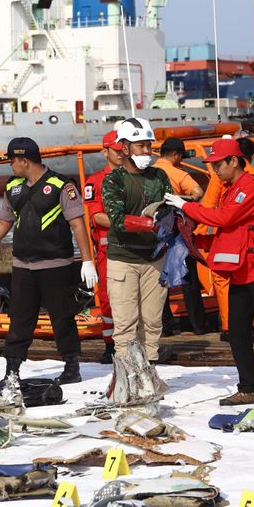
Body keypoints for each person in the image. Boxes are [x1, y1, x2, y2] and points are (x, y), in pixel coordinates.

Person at [165, 138, 254, 406]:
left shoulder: (253, 186)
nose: (214, 170)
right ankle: (248, 387)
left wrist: (184, 205)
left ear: (233, 161)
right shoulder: (231, 188)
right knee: (237, 333)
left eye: (217, 165)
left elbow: (224, 219)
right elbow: (227, 226)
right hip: (240, 270)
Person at [0, 137, 97, 383]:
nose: (10, 166)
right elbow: (4, 222)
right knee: (19, 319)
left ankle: (72, 366)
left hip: (55, 265)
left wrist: (87, 261)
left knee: (62, 317)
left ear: (24, 161)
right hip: (22, 266)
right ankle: (12, 371)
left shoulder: (62, 185)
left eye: (12, 161)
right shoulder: (12, 187)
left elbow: (77, 225)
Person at [102, 117, 172, 364]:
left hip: (155, 259)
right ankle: (127, 374)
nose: (147, 151)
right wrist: (148, 222)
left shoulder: (160, 176)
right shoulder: (113, 180)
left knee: (152, 321)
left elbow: (170, 207)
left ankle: (149, 367)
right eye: (140, 146)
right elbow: (117, 219)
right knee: (125, 324)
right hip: (123, 259)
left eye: (149, 146)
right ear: (124, 147)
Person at [156, 137, 207, 335]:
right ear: (176, 155)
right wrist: (178, 200)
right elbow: (197, 192)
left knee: (159, 280)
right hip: (176, 232)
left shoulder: (149, 172)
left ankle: (165, 327)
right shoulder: (177, 173)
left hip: (153, 232)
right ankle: (199, 326)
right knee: (188, 278)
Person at [83, 130, 124, 363]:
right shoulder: (95, 182)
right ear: (105, 151)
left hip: (136, 248)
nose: (121, 155)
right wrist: (130, 223)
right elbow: (96, 217)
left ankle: (135, 343)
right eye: (116, 151)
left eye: (123, 150)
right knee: (108, 299)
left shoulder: (137, 178)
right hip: (109, 249)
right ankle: (110, 345)